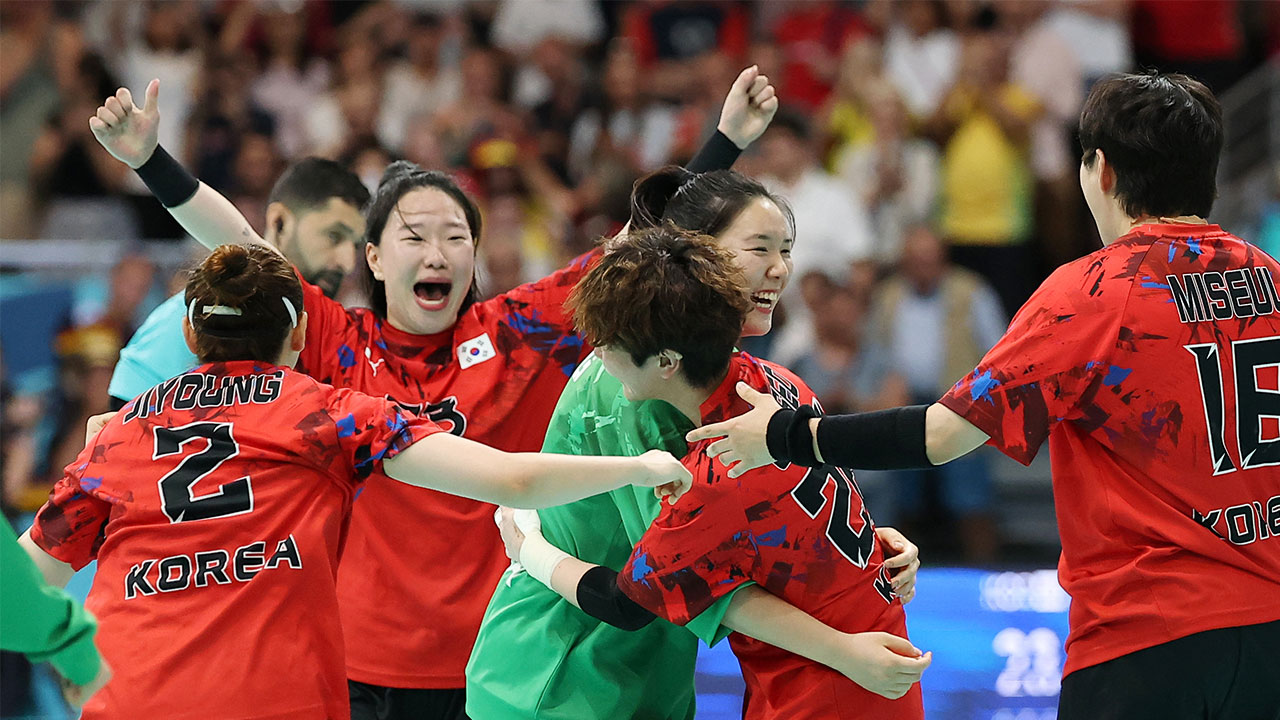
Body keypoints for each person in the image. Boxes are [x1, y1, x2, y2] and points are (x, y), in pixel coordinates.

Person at [88, 68, 776, 719]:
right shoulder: (336, 339)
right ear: (376, 259)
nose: (438, 252)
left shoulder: (517, 334)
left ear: (475, 257)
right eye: (414, 236)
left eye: (456, 236)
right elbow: (239, 245)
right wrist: (150, 160)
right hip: (361, 666)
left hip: (492, 662)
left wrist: (727, 142)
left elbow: (638, 246)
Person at [687, 71, 1280, 719]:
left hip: (1148, 639)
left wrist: (787, 436)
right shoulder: (1270, 278)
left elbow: (943, 435)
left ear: (1101, 172)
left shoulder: (1095, 294)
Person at [17, 243, 692, 719]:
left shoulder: (113, 438)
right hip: (280, 704)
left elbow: (16, 590)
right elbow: (510, 481)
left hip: (129, 697)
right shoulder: (327, 413)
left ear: (192, 337)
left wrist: (73, 649)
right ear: (300, 332)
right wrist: (639, 465)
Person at [466, 168, 924, 719]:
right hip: (564, 671)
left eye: (786, 249)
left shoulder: (738, 393)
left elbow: (674, 576)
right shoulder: (632, 393)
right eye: (759, 248)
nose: (781, 270)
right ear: (697, 256)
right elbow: (677, 593)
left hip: (660, 669)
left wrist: (866, 550)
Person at [108, 156, 370, 409]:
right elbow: (119, 434)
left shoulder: (341, 331)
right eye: (333, 236)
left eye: (356, 246)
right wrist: (147, 157)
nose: (347, 262)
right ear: (279, 222)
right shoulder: (199, 312)